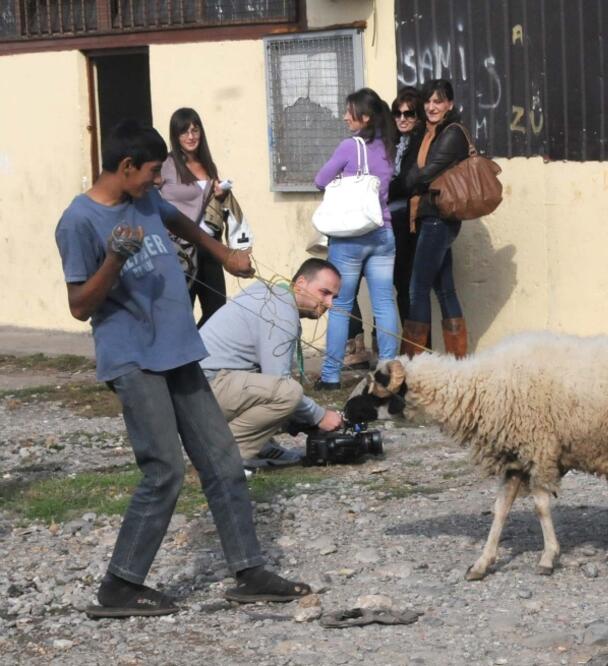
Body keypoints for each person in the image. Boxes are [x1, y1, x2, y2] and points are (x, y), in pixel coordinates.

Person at [55, 120, 310, 618]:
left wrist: (225, 256)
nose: (157, 181)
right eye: (152, 172)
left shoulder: (147, 199)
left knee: (223, 461)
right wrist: (113, 259)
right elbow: (80, 306)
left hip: (179, 350)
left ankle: (249, 571)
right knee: (164, 470)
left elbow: (179, 222)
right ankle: (119, 587)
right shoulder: (78, 221)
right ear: (126, 167)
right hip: (133, 358)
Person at [199, 258, 345, 471]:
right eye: (324, 293)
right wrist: (320, 416)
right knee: (288, 392)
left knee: (278, 391)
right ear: (301, 283)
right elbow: (279, 381)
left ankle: (262, 447)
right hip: (205, 388)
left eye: (334, 297)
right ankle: (220, 459)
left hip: (202, 385)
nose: (330, 304)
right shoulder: (280, 311)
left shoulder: (272, 294)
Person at [314, 88, 399, 390]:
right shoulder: (388, 146)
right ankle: (388, 371)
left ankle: (331, 376)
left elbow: (320, 180)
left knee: (340, 305)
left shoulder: (350, 147)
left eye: (349, 111)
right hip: (383, 233)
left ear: (365, 117)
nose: (344, 116)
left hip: (350, 237)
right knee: (385, 304)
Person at [402, 78, 469, 357]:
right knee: (444, 289)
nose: (431, 106)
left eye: (438, 101)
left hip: (438, 218)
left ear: (449, 104)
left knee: (417, 289)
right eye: (428, 101)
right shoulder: (426, 133)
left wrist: (406, 180)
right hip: (429, 216)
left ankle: (414, 362)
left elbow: (424, 173)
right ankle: (458, 361)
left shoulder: (451, 134)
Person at [159, 107, 230, 326]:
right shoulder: (166, 165)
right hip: (181, 249)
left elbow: (211, 203)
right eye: (184, 132)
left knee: (217, 310)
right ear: (175, 135)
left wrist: (220, 193)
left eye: (195, 130)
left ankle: (202, 353)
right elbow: (158, 198)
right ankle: (185, 356)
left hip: (209, 245)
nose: (191, 136)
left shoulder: (208, 164)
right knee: (182, 310)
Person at [388, 86, 427, 329]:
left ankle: (415, 347)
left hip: (409, 220)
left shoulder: (421, 142)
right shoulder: (390, 141)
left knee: (407, 283)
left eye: (409, 114)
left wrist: (383, 189)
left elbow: (410, 182)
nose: (403, 119)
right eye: (398, 113)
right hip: (388, 218)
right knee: (392, 283)